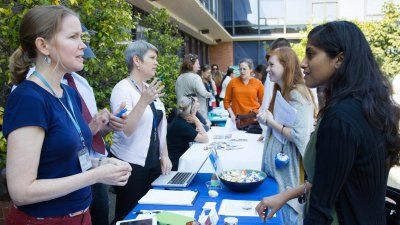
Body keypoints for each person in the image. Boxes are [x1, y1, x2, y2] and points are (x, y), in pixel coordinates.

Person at [256, 21, 400, 225]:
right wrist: (284, 196)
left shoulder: (340, 118)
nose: (303, 63)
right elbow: (332, 178)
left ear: (339, 59)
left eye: (311, 54)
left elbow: (320, 209)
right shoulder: (367, 106)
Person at [3, 5, 132, 225]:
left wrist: (100, 164)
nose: (83, 45)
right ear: (43, 45)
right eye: (73, 37)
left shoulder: (69, 94)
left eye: (82, 37)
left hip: (81, 216)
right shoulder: (28, 99)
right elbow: (21, 191)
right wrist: (96, 176)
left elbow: (63, 160)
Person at [109, 40, 172, 222]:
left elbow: (161, 125)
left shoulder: (148, 88)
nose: (156, 62)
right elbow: (126, 129)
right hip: (131, 164)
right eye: (152, 58)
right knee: (129, 214)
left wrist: (164, 155)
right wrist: (143, 101)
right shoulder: (122, 89)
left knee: (152, 212)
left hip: (153, 162)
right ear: (137, 60)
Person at [257, 47, 316, 224]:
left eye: (271, 65)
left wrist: (270, 122)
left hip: (289, 173)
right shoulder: (280, 90)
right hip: (277, 171)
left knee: (288, 214)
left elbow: (301, 136)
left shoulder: (297, 93)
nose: (267, 69)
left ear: (286, 65)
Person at [167, 95, 209, 170]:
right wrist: (197, 121)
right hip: (177, 163)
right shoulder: (181, 124)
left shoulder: (181, 119)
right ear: (191, 111)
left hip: (181, 157)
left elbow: (205, 129)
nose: (197, 112)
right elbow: (205, 139)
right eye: (196, 109)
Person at [223, 58, 264, 123]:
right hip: (236, 119)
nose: (242, 71)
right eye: (240, 69)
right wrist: (232, 115)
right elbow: (226, 101)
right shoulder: (232, 82)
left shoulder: (258, 83)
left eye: (244, 69)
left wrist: (259, 114)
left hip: (253, 118)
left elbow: (263, 102)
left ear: (250, 70)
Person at [175, 54, 212, 125]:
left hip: (181, 112)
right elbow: (203, 93)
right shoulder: (195, 77)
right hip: (195, 113)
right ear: (192, 65)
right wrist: (211, 94)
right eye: (197, 63)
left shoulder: (179, 77)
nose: (199, 66)